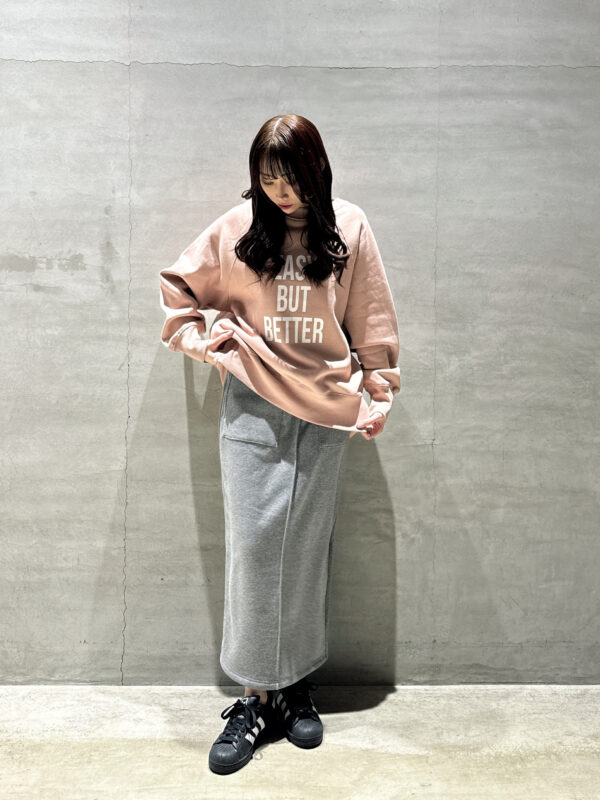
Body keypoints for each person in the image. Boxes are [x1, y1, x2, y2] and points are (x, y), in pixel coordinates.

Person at [158, 114, 401, 775]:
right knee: (256, 548)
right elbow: (179, 288)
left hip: (324, 410)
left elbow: (371, 317)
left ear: (314, 170)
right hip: (254, 407)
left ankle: (292, 687)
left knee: (304, 550)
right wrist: (206, 341)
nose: (279, 192)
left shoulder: (349, 227)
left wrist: (377, 392)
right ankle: (254, 697)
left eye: (289, 177)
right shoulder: (240, 229)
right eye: (267, 179)